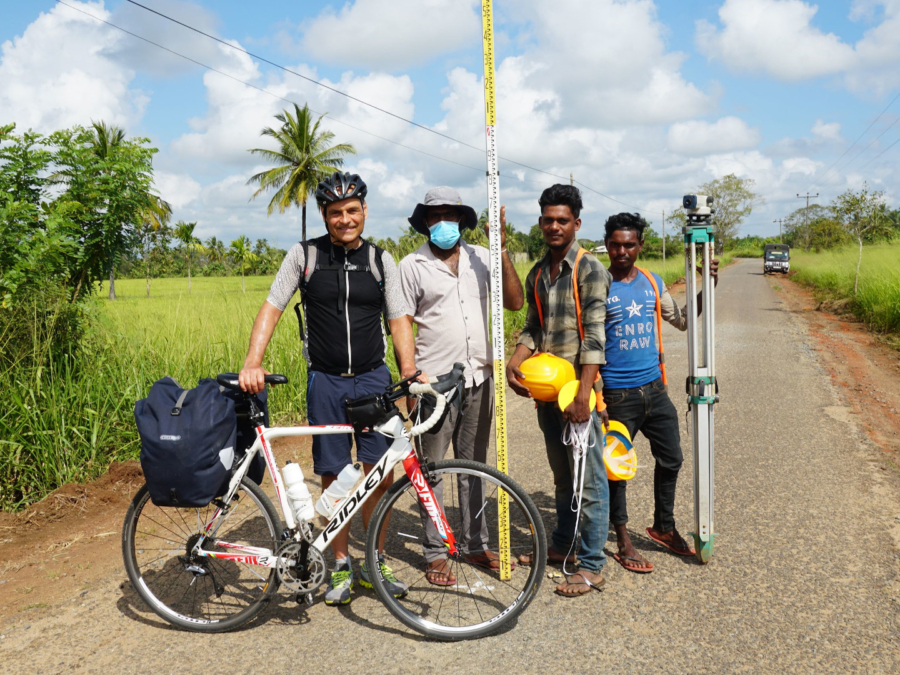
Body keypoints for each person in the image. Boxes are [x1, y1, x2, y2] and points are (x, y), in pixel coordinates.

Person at [238, 172, 417, 606]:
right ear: (324, 215)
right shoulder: (304, 256)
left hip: (373, 378)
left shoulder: (381, 260)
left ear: (364, 211)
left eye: (352, 210)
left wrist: (408, 372)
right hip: (326, 381)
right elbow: (272, 307)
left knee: (379, 472)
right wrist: (252, 361)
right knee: (334, 472)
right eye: (335, 213)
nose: (344, 219)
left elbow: (397, 319)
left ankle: (375, 562)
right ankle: (340, 564)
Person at [399, 187, 524, 585]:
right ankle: (436, 552)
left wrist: (501, 248)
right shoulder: (412, 265)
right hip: (434, 384)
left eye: (450, 216)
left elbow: (516, 303)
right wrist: (408, 375)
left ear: (462, 220)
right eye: (435, 217)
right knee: (432, 469)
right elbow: (400, 321)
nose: (443, 224)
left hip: (480, 378)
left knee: (475, 467)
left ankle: (475, 543)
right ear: (425, 222)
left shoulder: (482, 258)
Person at [506, 184, 611, 597]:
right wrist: (517, 359)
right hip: (547, 393)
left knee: (590, 479)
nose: (554, 226)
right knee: (563, 476)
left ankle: (591, 564)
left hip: (578, 394)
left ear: (576, 224)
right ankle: (564, 544)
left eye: (562, 220)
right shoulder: (538, 272)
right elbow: (534, 326)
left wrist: (584, 394)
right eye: (548, 219)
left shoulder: (588, 269)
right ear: (540, 222)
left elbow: (595, 339)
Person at [600, 212, 718, 573]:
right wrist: (595, 397)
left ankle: (663, 527)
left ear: (640, 245)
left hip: (655, 389)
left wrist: (707, 288)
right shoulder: (597, 285)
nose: (622, 251)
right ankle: (622, 540)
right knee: (616, 470)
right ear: (606, 244)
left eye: (629, 244)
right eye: (615, 244)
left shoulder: (651, 282)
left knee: (673, 459)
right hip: (616, 396)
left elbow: (681, 321)